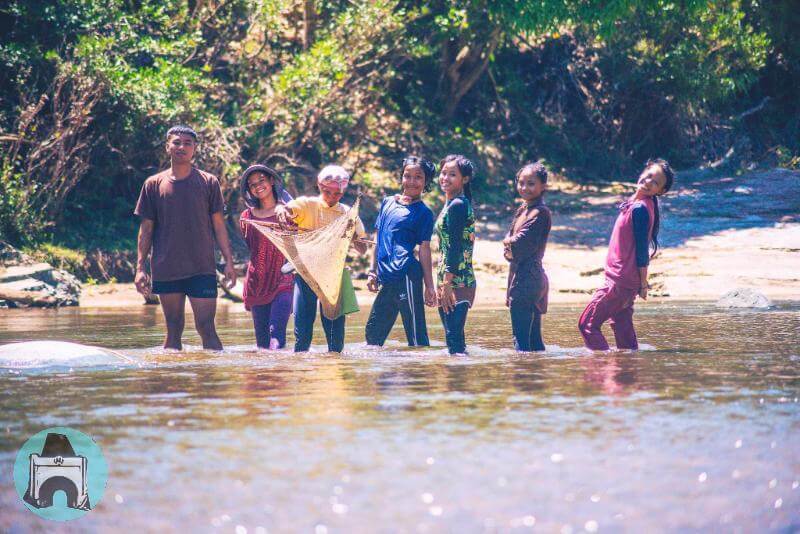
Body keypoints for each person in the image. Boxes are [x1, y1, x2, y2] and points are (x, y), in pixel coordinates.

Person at [134, 125, 236, 350]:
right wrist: (140, 268)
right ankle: (172, 382)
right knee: (173, 329)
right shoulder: (153, 184)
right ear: (167, 146)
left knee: (207, 328)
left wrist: (229, 261)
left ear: (195, 149)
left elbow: (219, 225)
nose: (182, 147)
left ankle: (211, 382)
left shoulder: (209, 182)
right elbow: (146, 230)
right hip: (166, 267)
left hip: (202, 267)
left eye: (187, 143)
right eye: (177, 142)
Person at [578, 158, 675, 351]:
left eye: (655, 182)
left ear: (661, 191)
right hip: (624, 282)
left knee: (587, 325)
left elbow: (641, 250)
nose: (648, 182)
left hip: (619, 282)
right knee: (623, 331)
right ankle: (629, 374)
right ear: (642, 172)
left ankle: (603, 374)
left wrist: (643, 284)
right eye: (648, 176)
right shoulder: (635, 203)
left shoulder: (640, 209)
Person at [276, 165, 368, 353]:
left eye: (337, 194)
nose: (332, 197)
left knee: (335, 339)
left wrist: (353, 237)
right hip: (306, 274)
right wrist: (280, 210)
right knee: (302, 334)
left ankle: (334, 370)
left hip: (333, 279)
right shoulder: (306, 205)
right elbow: (284, 210)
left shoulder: (348, 214)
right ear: (319, 186)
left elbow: (362, 249)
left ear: (343, 192)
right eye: (327, 192)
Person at [365, 157, 437, 347]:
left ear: (426, 182)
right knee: (372, 336)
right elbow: (378, 238)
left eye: (418, 177)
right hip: (387, 278)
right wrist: (373, 271)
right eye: (407, 176)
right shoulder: (387, 202)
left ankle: (418, 375)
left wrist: (429, 287)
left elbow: (424, 250)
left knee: (416, 336)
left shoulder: (424, 213)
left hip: (407, 275)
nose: (412, 181)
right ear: (401, 177)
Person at [239, 164, 295, 349]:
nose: (257, 186)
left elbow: (300, 242)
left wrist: (285, 206)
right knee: (262, 345)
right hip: (257, 283)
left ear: (271, 181)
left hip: (283, 280)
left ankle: (278, 375)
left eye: (261, 180)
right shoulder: (246, 217)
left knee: (276, 337)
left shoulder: (289, 213)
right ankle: (265, 377)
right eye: (252, 184)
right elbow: (252, 248)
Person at [504, 162, 552, 352]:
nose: (524, 188)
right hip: (523, 279)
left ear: (543, 186)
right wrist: (508, 289)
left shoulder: (541, 212)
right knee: (534, 343)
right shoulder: (523, 210)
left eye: (531, 183)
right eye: (521, 183)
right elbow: (513, 250)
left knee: (521, 344)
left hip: (529, 280)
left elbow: (519, 244)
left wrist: (507, 242)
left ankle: (524, 380)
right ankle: (534, 378)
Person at [434, 154, 477, 355]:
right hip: (447, 277)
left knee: (454, 340)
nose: (445, 178)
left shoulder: (458, 205)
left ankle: (458, 381)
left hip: (457, 279)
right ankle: (458, 379)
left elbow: (455, 246)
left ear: (464, 179)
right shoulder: (452, 203)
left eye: (452, 174)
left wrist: (447, 282)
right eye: (443, 173)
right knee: (454, 340)